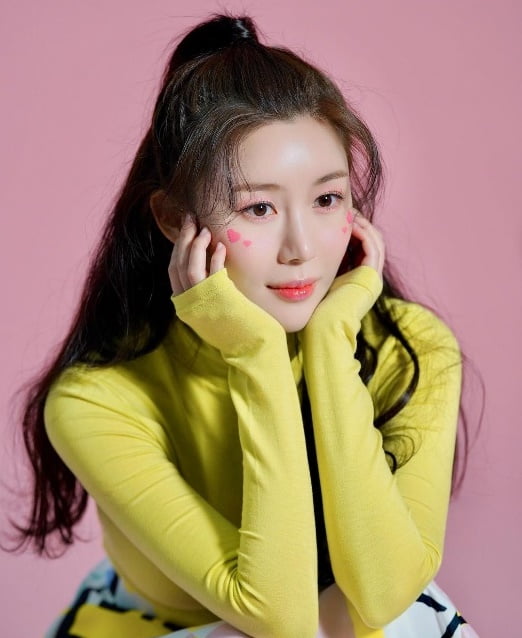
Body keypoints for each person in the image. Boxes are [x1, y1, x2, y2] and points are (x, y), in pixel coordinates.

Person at [11, 14, 479, 638]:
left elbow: (388, 597)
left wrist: (330, 343)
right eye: (258, 208)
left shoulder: (411, 346)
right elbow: (277, 618)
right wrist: (254, 352)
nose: (301, 249)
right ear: (174, 220)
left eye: (327, 200)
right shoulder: (97, 399)